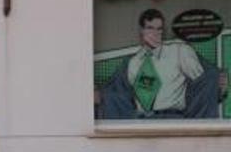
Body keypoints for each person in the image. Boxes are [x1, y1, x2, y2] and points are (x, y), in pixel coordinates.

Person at [97, 9, 227, 119]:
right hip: (140, 123)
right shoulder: (132, 62)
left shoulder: (179, 51)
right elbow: (115, 94)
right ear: (141, 30)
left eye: (159, 29)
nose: (156, 33)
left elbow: (204, 83)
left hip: (173, 120)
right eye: (150, 28)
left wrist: (218, 84)